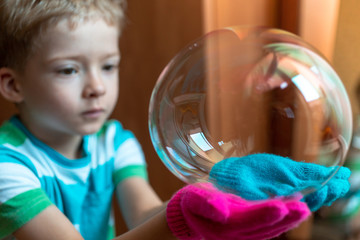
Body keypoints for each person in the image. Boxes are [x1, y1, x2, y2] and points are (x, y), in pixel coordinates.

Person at [0, 1, 350, 240]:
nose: (96, 87)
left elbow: (145, 213)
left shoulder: (114, 142)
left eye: (108, 65)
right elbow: (163, 223)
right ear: (13, 85)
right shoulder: (7, 166)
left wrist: (226, 194)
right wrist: (185, 216)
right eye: (68, 70)